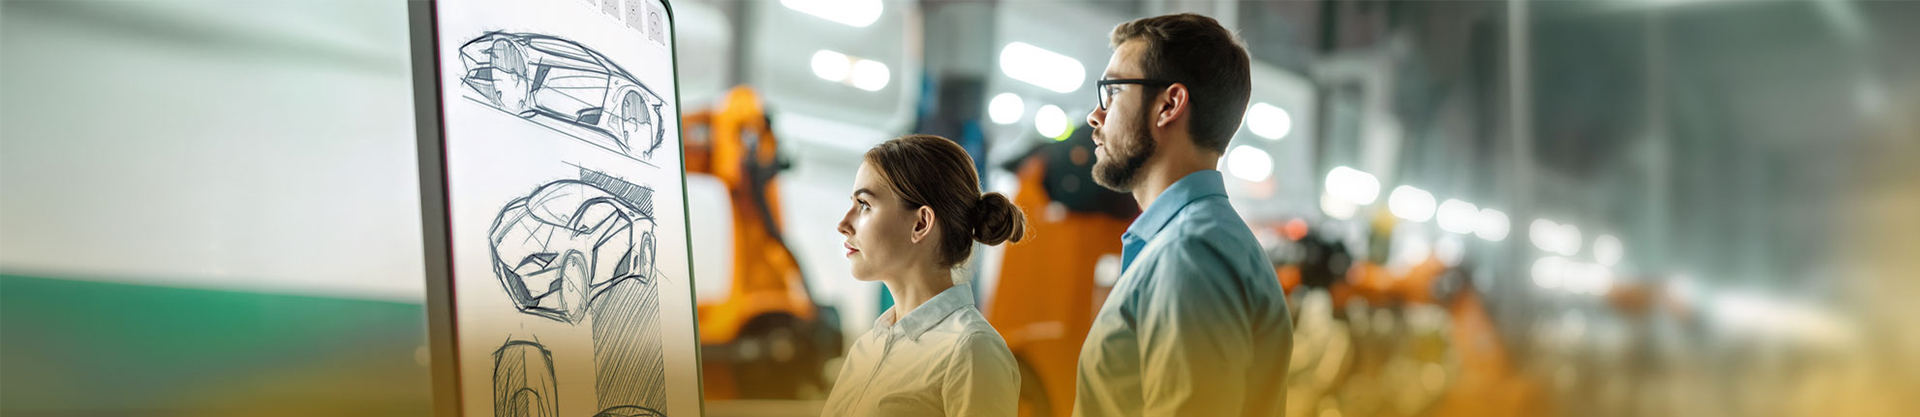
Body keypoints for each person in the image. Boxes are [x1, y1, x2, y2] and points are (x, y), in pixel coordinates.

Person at [1073, 13, 1294, 416]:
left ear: (1169, 105)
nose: (1095, 115)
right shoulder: (1196, 242)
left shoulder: (1189, 254)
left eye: (1113, 91)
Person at [821, 134, 1027, 416]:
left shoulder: (972, 351)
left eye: (865, 205)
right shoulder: (866, 348)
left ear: (920, 223)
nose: (844, 224)